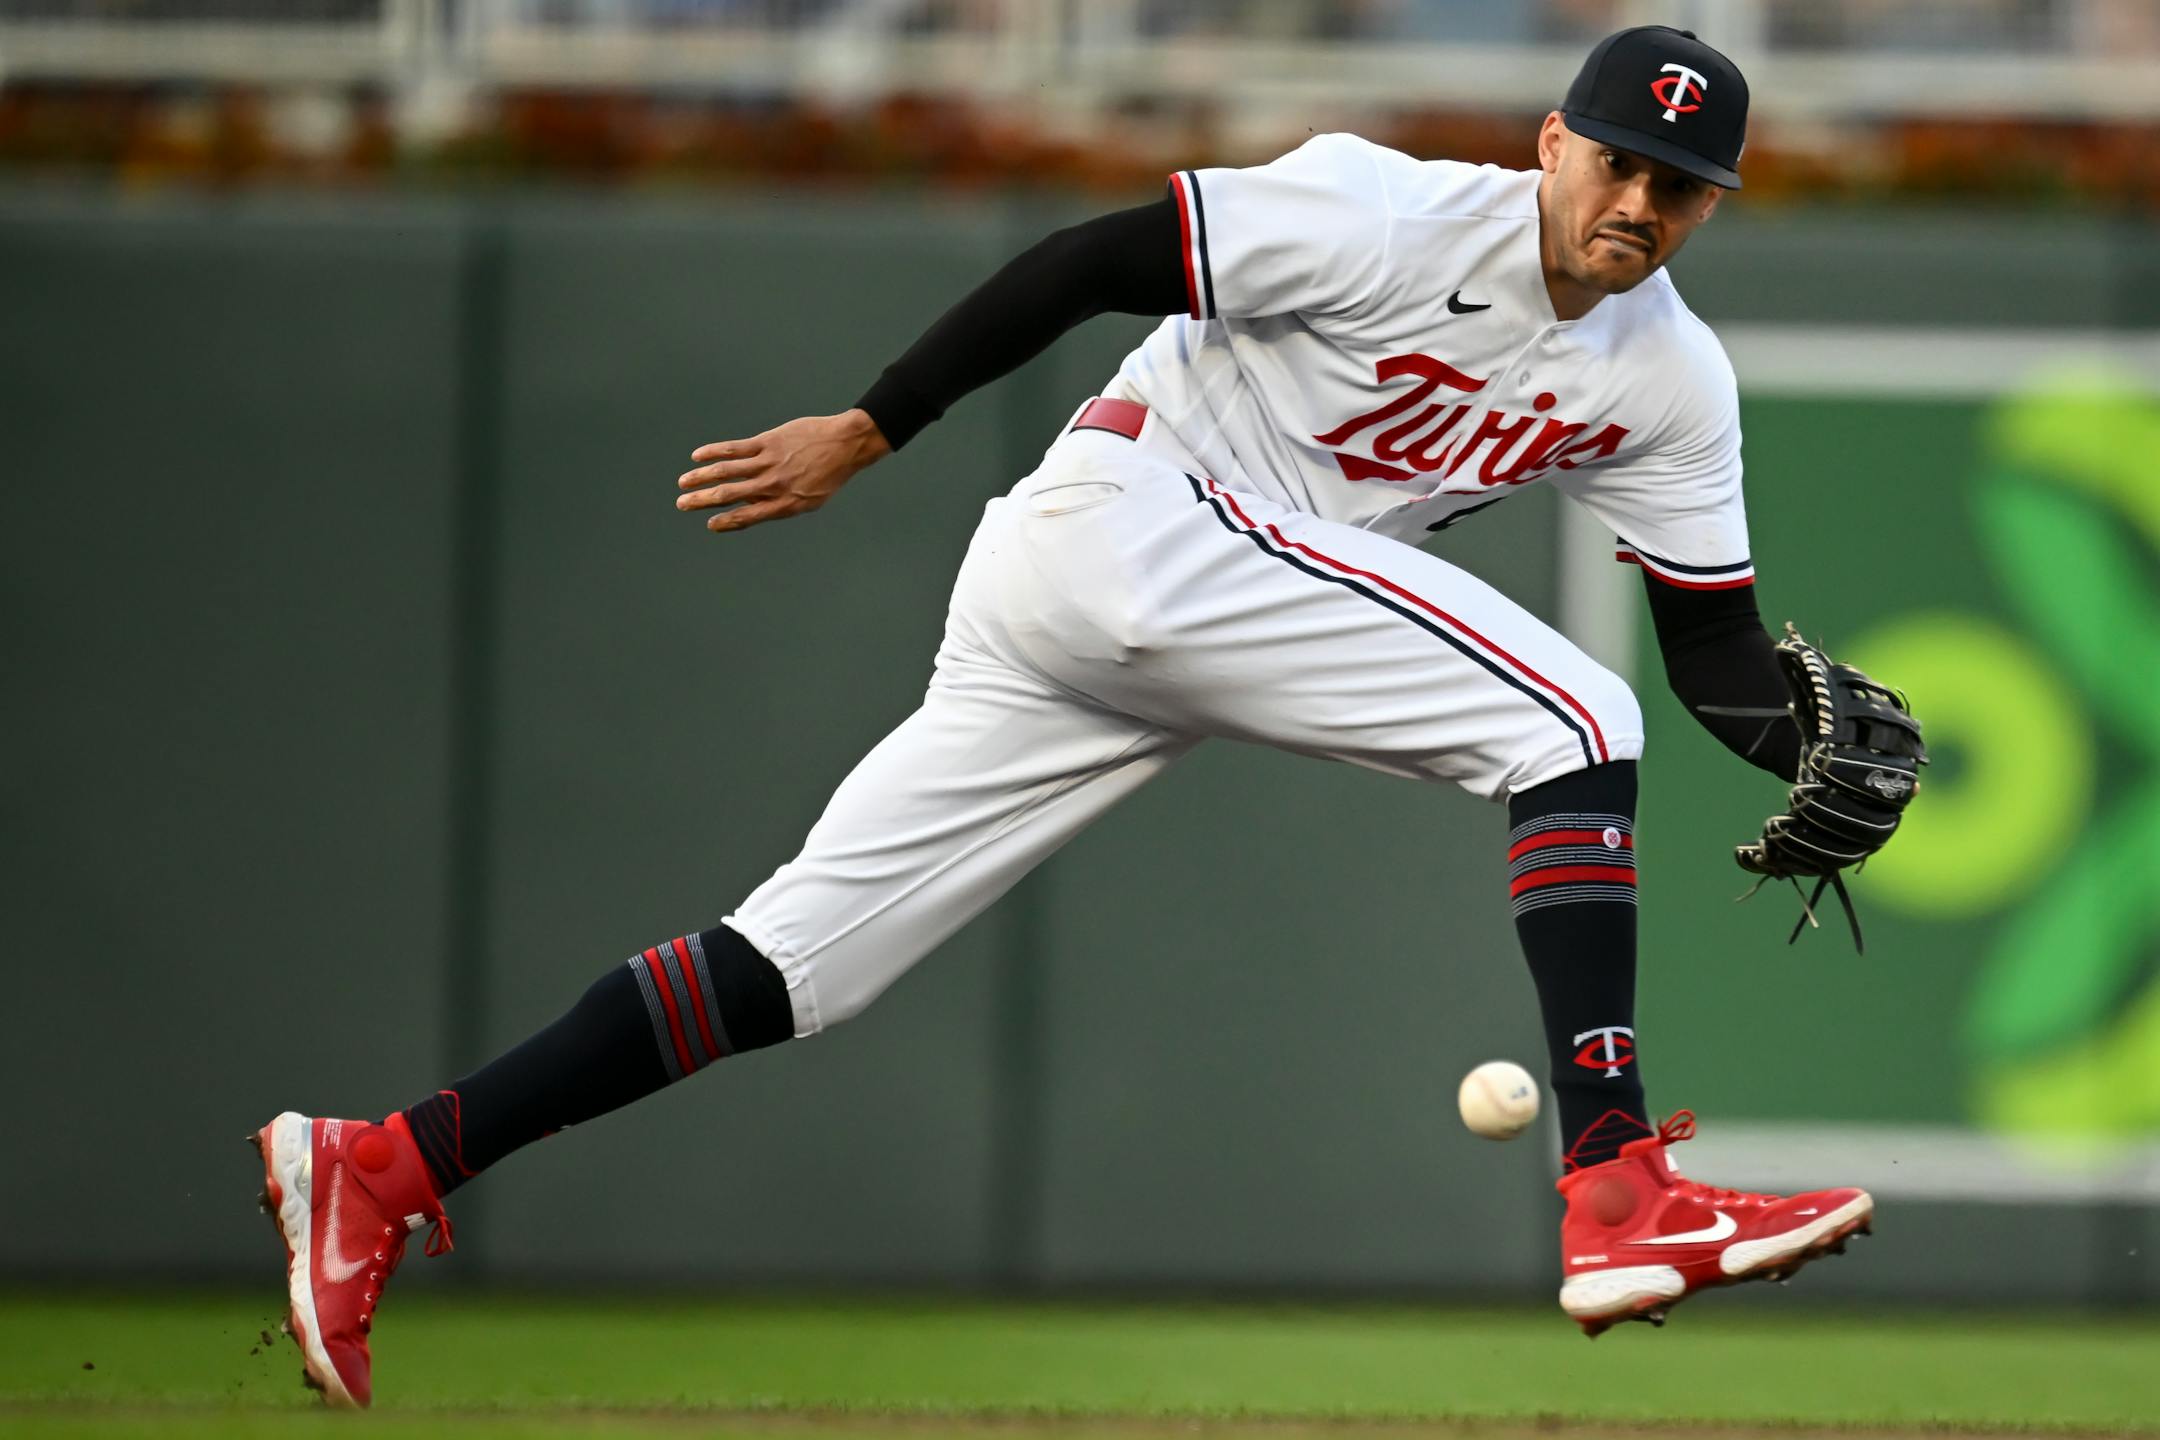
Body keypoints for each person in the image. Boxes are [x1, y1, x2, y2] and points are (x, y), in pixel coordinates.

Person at [254, 26, 1898, 1408]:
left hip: (1166, 611)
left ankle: (387, 1166)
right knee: (1567, 716)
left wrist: (1817, 748)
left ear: (1711, 206)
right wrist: (870, 428)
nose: (1637, 200)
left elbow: (1718, 660)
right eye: (1613, 158)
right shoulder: (1387, 215)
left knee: (788, 967)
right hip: (1133, 522)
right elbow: (1095, 259)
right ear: (1551, 142)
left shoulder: (1672, 377)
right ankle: (1616, 1186)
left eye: (1677, 185)